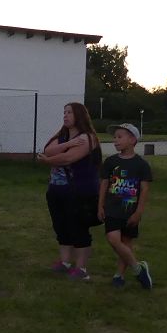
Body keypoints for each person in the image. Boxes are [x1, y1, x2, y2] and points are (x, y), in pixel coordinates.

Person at [37, 103, 102, 280]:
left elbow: (68, 158)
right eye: (64, 112)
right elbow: (48, 150)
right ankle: (65, 262)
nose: (65, 115)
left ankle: (81, 269)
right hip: (56, 190)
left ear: (79, 115)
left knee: (78, 227)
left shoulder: (88, 138)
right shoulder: (64, 136)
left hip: (79, 191)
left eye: (69, 112)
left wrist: (47, 161)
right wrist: (69, 143)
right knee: (61, 226)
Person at [98, 123, 153, 289]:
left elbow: (144, 189)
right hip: (112, 209)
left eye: (120, 137)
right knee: (113, 239)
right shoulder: (111, 162)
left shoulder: (141, 165)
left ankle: (119, 275)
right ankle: (138, 268)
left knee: (126, 242)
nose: (115, 140)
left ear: (132, 140)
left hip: (130, 211)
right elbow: (104, 184)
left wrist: (138, 212)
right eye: (114, 137)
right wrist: (100, 205)